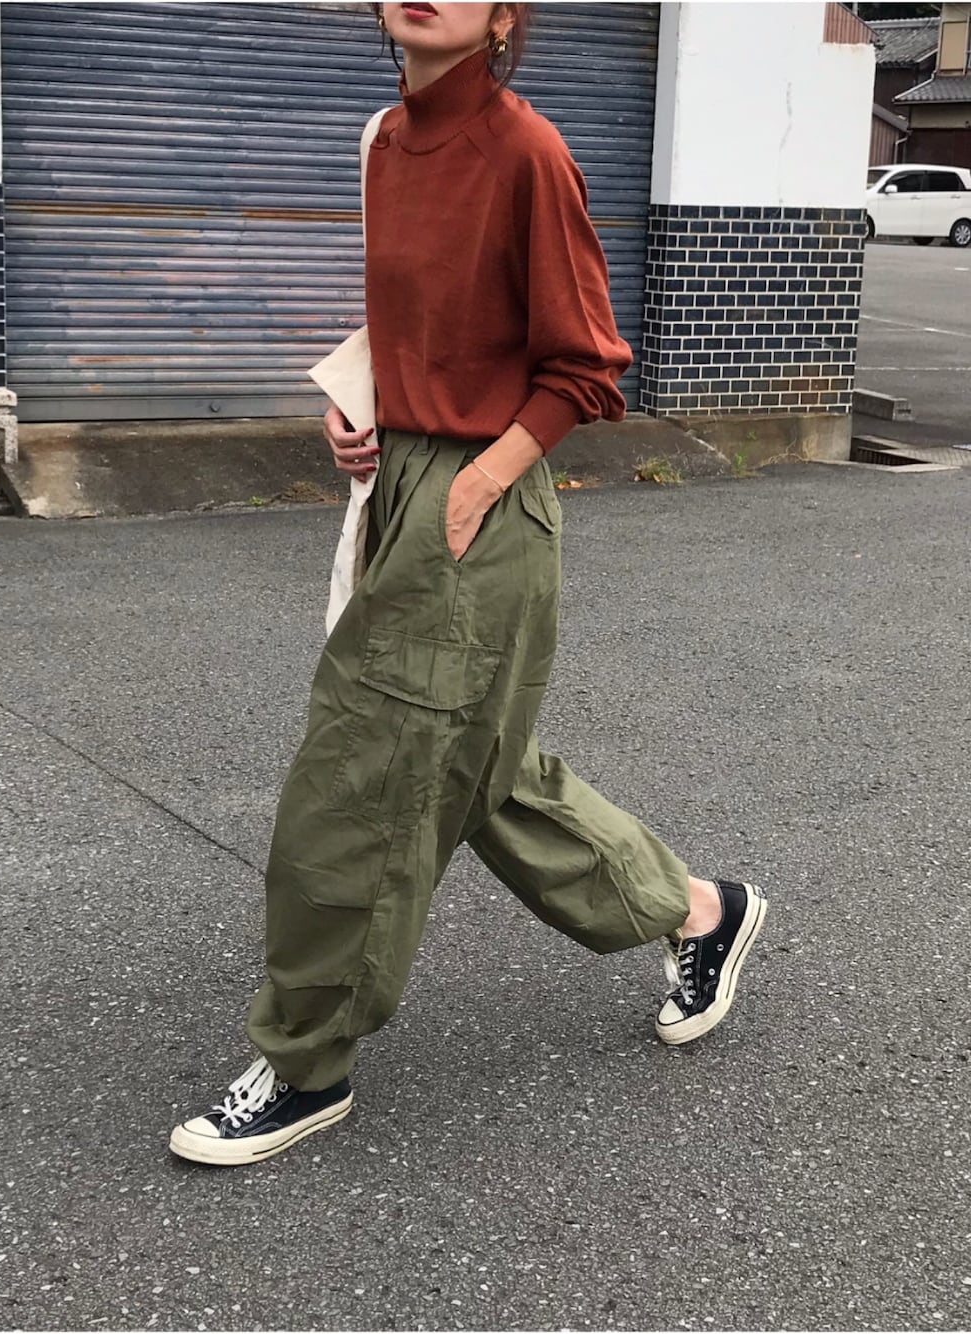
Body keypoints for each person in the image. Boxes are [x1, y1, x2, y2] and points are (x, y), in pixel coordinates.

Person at [169, 0, 767, 1168]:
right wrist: (358, 409)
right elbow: (413, 318)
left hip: (478, 504)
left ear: (502, 16)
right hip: (401, 477)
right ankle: (700, 908)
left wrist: (477, 478)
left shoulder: (526, 150)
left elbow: (586, 363)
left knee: (360, 779)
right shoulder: (385, 140)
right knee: (479, 767)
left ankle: (305, 1062)